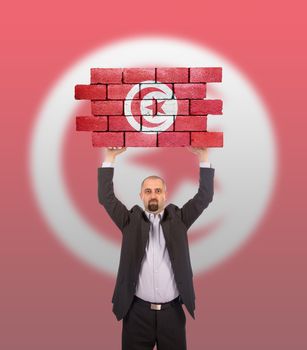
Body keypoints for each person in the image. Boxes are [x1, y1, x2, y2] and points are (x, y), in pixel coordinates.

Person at [98, 146, 215, 350]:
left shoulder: (179, 219)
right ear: (141, 195)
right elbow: (106, 198)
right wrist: (110, 157)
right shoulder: (129, 221)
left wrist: (203, 157)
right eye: (148, 191)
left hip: (173, 314)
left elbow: (203, 197)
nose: (153, 195)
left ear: (165, 195)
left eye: (158, 191)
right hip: (136, 313)